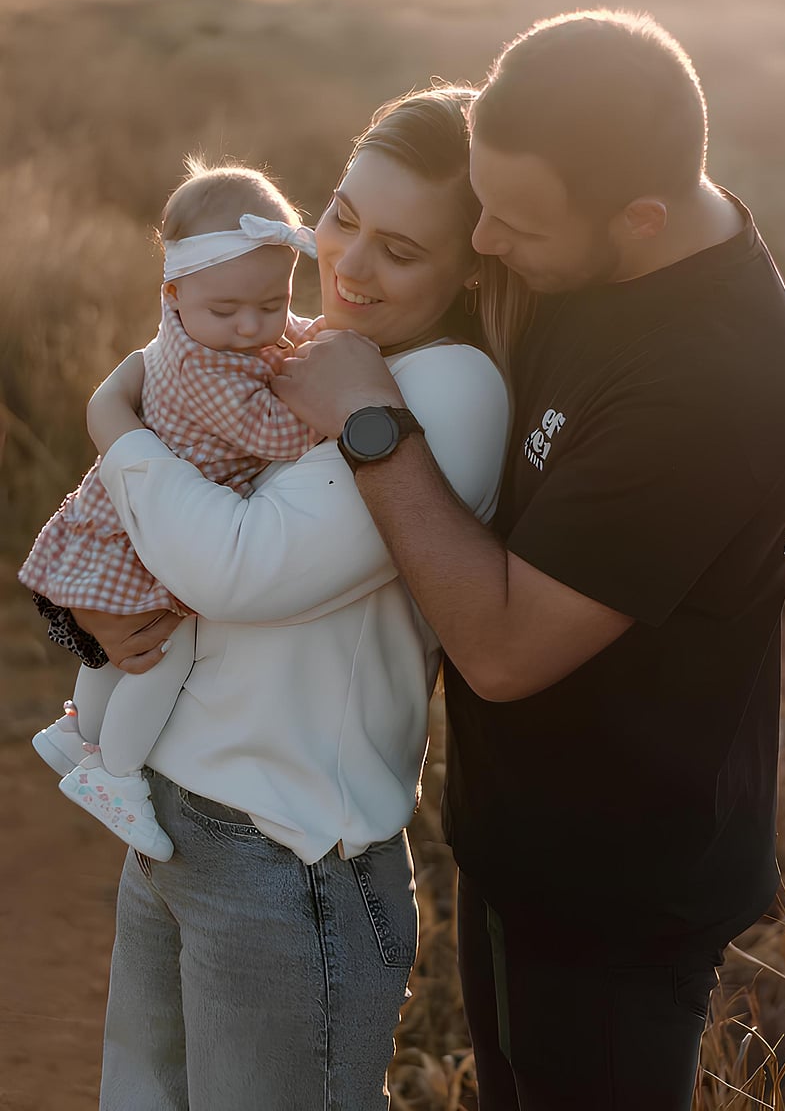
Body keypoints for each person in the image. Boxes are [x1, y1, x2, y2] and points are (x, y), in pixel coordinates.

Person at [268, 11, 785, 1110]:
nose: (488, 245)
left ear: (639, 218)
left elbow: (505, 650)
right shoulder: (584, 228)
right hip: (517, 843)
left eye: (511, 225)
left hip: (621, 891)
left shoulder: (712, 386)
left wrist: (371, 422)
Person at [68, 87, 520, 1109]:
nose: (349, 264)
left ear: (469, 267)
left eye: (401, 251)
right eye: (342, 216)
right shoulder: (313, 345)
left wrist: (113, 422)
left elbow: (233, 566)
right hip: (180, 822)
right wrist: (88, 607)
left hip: (289, 862)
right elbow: (178, 468)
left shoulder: (445, 389)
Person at [19, 160, 321, 862]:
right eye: (228, 311)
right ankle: (116, 775)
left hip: (132, 517)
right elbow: (279, 435)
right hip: (149, 530)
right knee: (160, 651)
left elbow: (262, 312)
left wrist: (303, 329)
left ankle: (78, 733)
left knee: (121, 646)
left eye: (272, 304)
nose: (254, 327)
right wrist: (336, 404)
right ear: (175, 294)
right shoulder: (206, 371)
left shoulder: (193, 319)